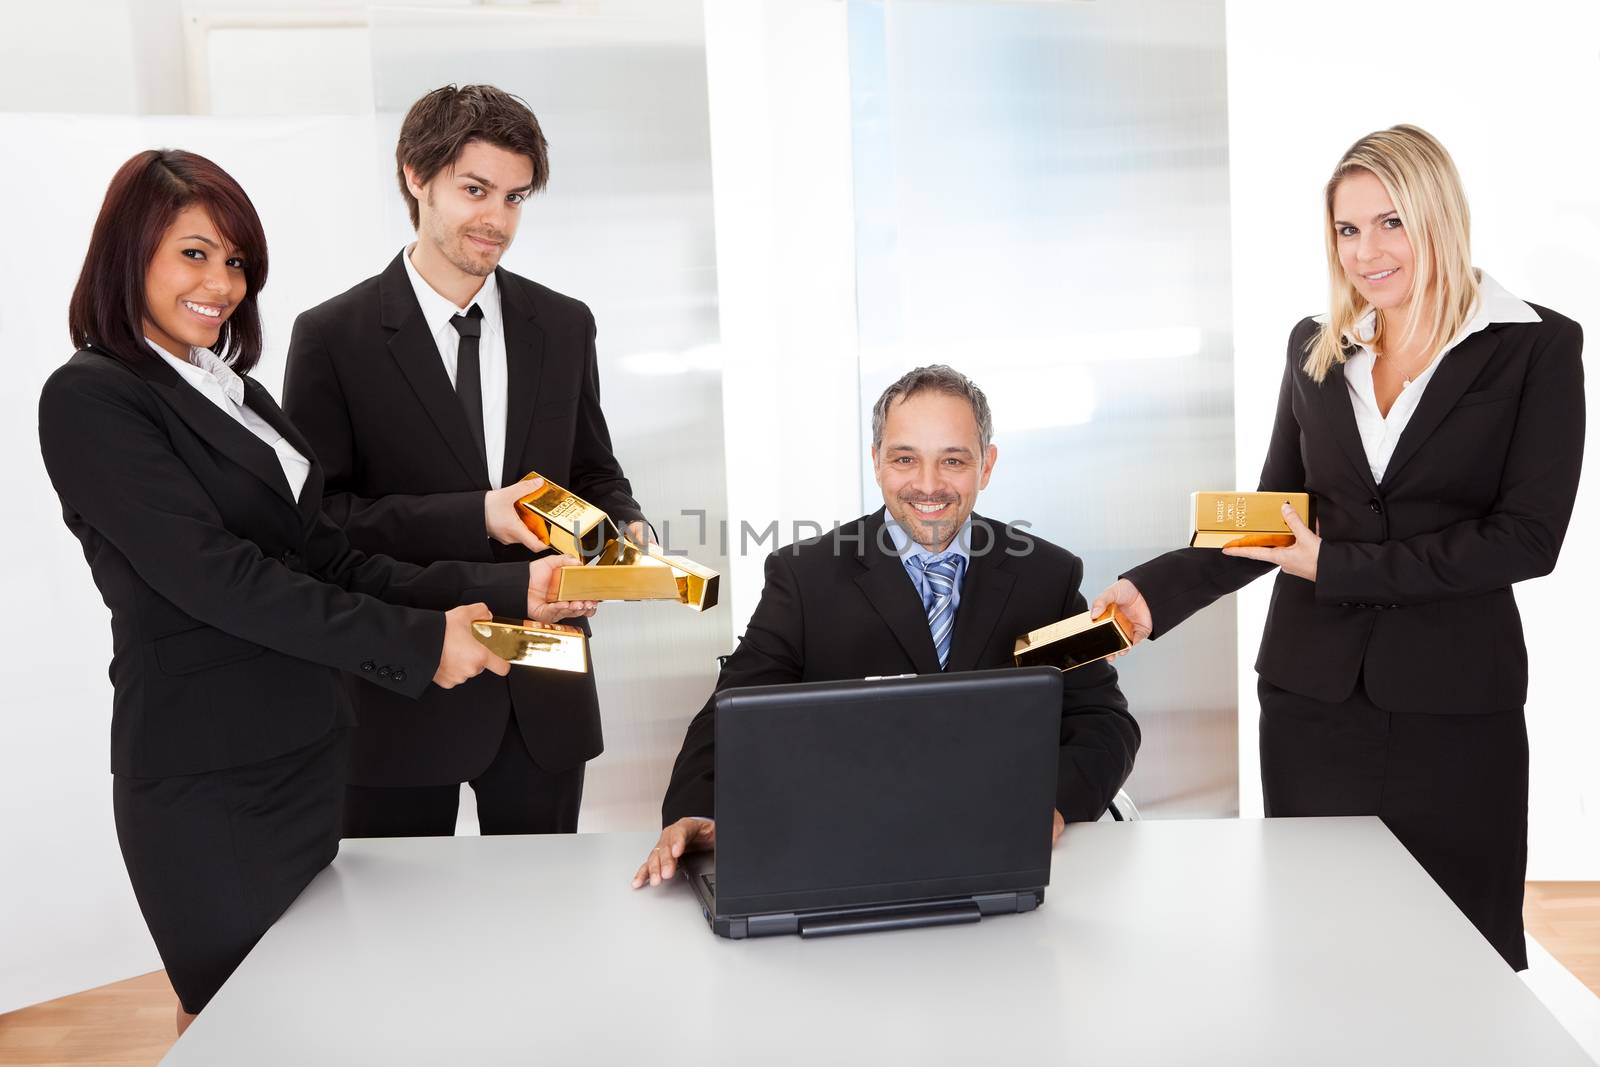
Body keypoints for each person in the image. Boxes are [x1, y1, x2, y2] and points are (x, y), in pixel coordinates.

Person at [38, 149, 586, 1029]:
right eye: (194, 253)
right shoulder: (91, 396)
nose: (221, 282)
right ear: (127, 252)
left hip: (304, 753)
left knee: (329, 1024)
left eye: (237, 261)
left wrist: (504, 591)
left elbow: (329, 557)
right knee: (247, 1028)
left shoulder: (234, 392)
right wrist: (419, 644)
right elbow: (224, 580)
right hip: (210, 780)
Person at [1092, 124, 1585, 970]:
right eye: (1347, 230)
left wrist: (1340, 564)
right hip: (1311, 702)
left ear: (1440, 215)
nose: (1367, 252)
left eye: (1390, 222)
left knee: (1462, 954)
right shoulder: (1317, 348)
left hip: (1458, 705)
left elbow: (1528, 538)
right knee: (1320, 952)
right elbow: (1274, 515)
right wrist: (1158, 590)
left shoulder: (1536, 346)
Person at [283, 84, 645, 839]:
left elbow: (593, 466)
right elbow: (322, 527)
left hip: (544, 678)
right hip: (404, 688)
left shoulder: (564, 324)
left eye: (515, 198)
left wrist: (624, 529)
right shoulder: (332, 337)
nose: (497, 220)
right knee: (404, 939)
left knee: (545, 920)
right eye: (475, 190)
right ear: (416, 176)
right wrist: (478, 513)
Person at [633, 365, 1140, 888]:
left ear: (986, 466)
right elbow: (732, 714)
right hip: (849, 860)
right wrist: (695, 809)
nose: (928, 485)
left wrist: (1048, 807)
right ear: (876, 462)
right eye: (905, 459)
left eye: (953, 460)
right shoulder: (805, 578)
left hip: (1001, 860)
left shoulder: (1045, 577)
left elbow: (1103, 720)